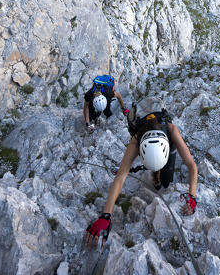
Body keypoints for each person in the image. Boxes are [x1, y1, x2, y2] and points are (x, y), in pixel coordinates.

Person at [84, 97, 198, 248]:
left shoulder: (172, 130)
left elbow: (192, 165)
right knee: (161, 179)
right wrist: (106, 215)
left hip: (167, 145)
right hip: (151, 141)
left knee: (166, 181)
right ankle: (155, 173)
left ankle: (158, 175)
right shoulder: (135, 140)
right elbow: (121, 176)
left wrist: (193, 195)